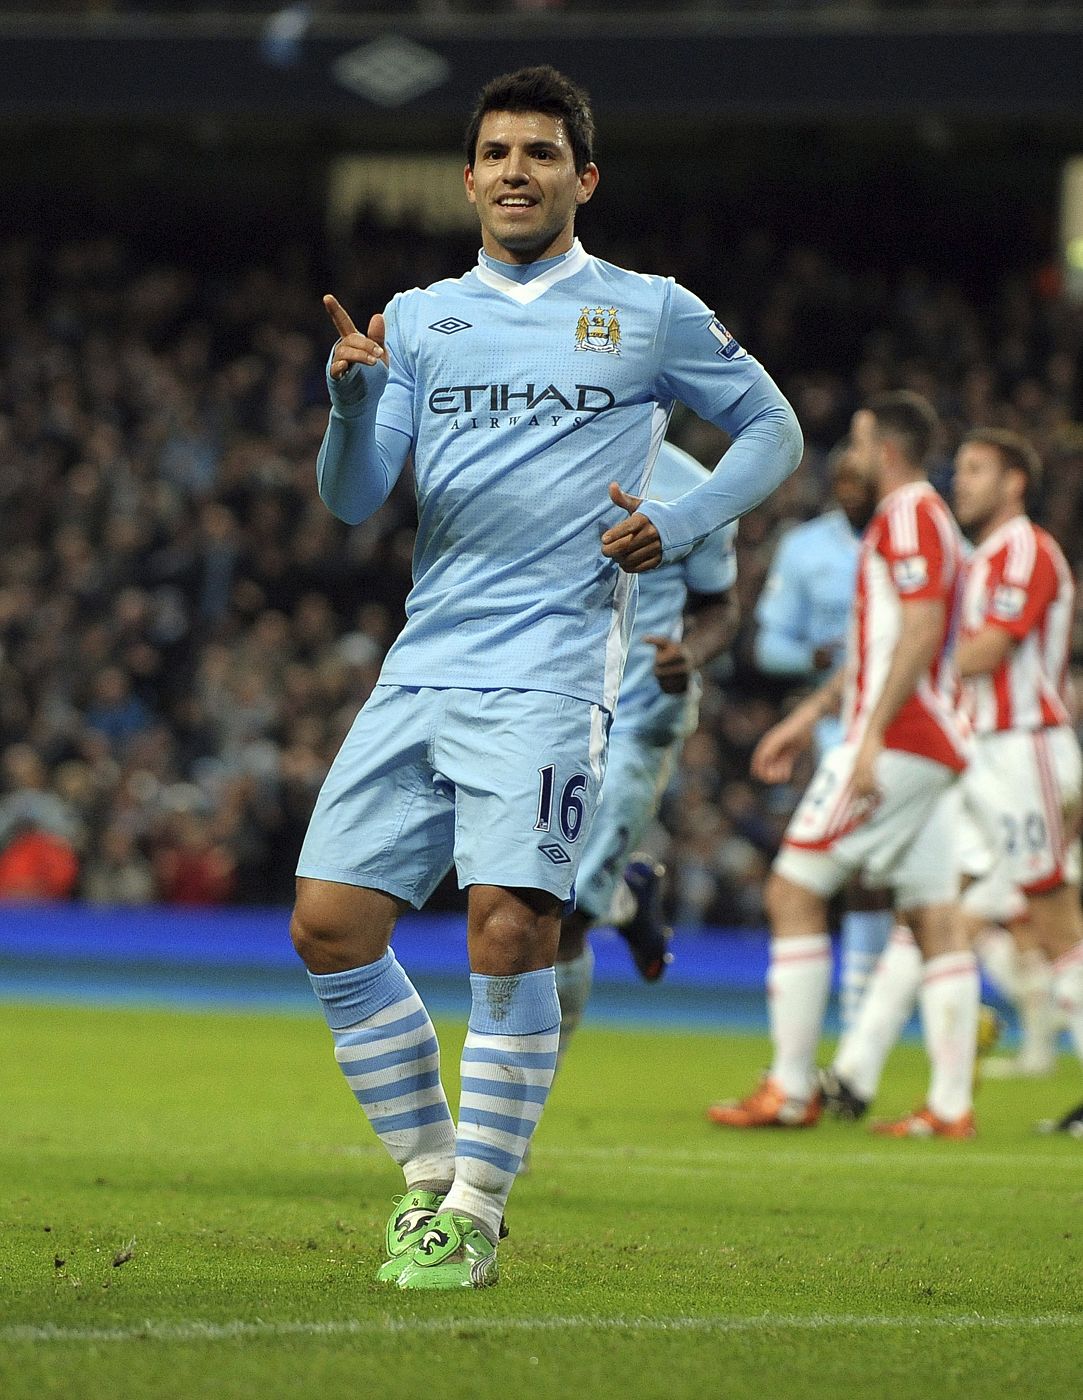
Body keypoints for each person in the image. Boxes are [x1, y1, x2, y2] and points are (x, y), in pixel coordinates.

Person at [289, 65, 802, 1291]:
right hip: (427, 659)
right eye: (498, 153)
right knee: (329, 923)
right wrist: (350, 407)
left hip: (554, 667)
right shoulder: (416, 318)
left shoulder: (650, 310)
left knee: (511, 925)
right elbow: (356, 498)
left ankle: (472, 1207)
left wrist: (679, 528)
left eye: (541, 152)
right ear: (468, 178)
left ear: (585, 177)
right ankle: (430, 1174)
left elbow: (774, 428)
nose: (518, 170)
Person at [710, 391, 980, 1138]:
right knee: (933, 917)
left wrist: (866, 737)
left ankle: (791, 1089)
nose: (847, 458)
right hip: (926, 743)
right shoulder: (917, 521)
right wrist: (805, 718)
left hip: (900, 741)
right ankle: (951, 1107)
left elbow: (921, 629)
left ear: (884, 450)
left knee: (792, 890)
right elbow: (879, 644)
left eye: (856, 444)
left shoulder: (909, 515)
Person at [824, 430, 1083, 1130]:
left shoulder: (1026, 550)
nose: (959, 481)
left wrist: (914, 673)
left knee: (1053, 916)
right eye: (959, 468)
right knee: (927, 909)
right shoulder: (976, 558)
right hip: (976, 752)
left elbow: (993, 648)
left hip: (1019, 751)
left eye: (975, 470)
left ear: (1013, 483)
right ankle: (852, 1072)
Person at [553, 437, 740, 1074]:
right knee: (518, 893)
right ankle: (627, 899)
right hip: (544, 706)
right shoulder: (543, 458)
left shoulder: (701, 492)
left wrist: (690, 656)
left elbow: (721, 606)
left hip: (636, 717)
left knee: (562, 915)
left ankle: (518, 1112)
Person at [755, 440, 891, 1031]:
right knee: (842, 873)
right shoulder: (805, 547)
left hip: (899, 726)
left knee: (882, 878)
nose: (851, 495)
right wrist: (817, 655)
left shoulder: (914, 540)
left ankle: (862, 1012)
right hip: (832, 728)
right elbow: (768, 646)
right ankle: (859, 1010)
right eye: (844, 486)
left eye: (862, 486)